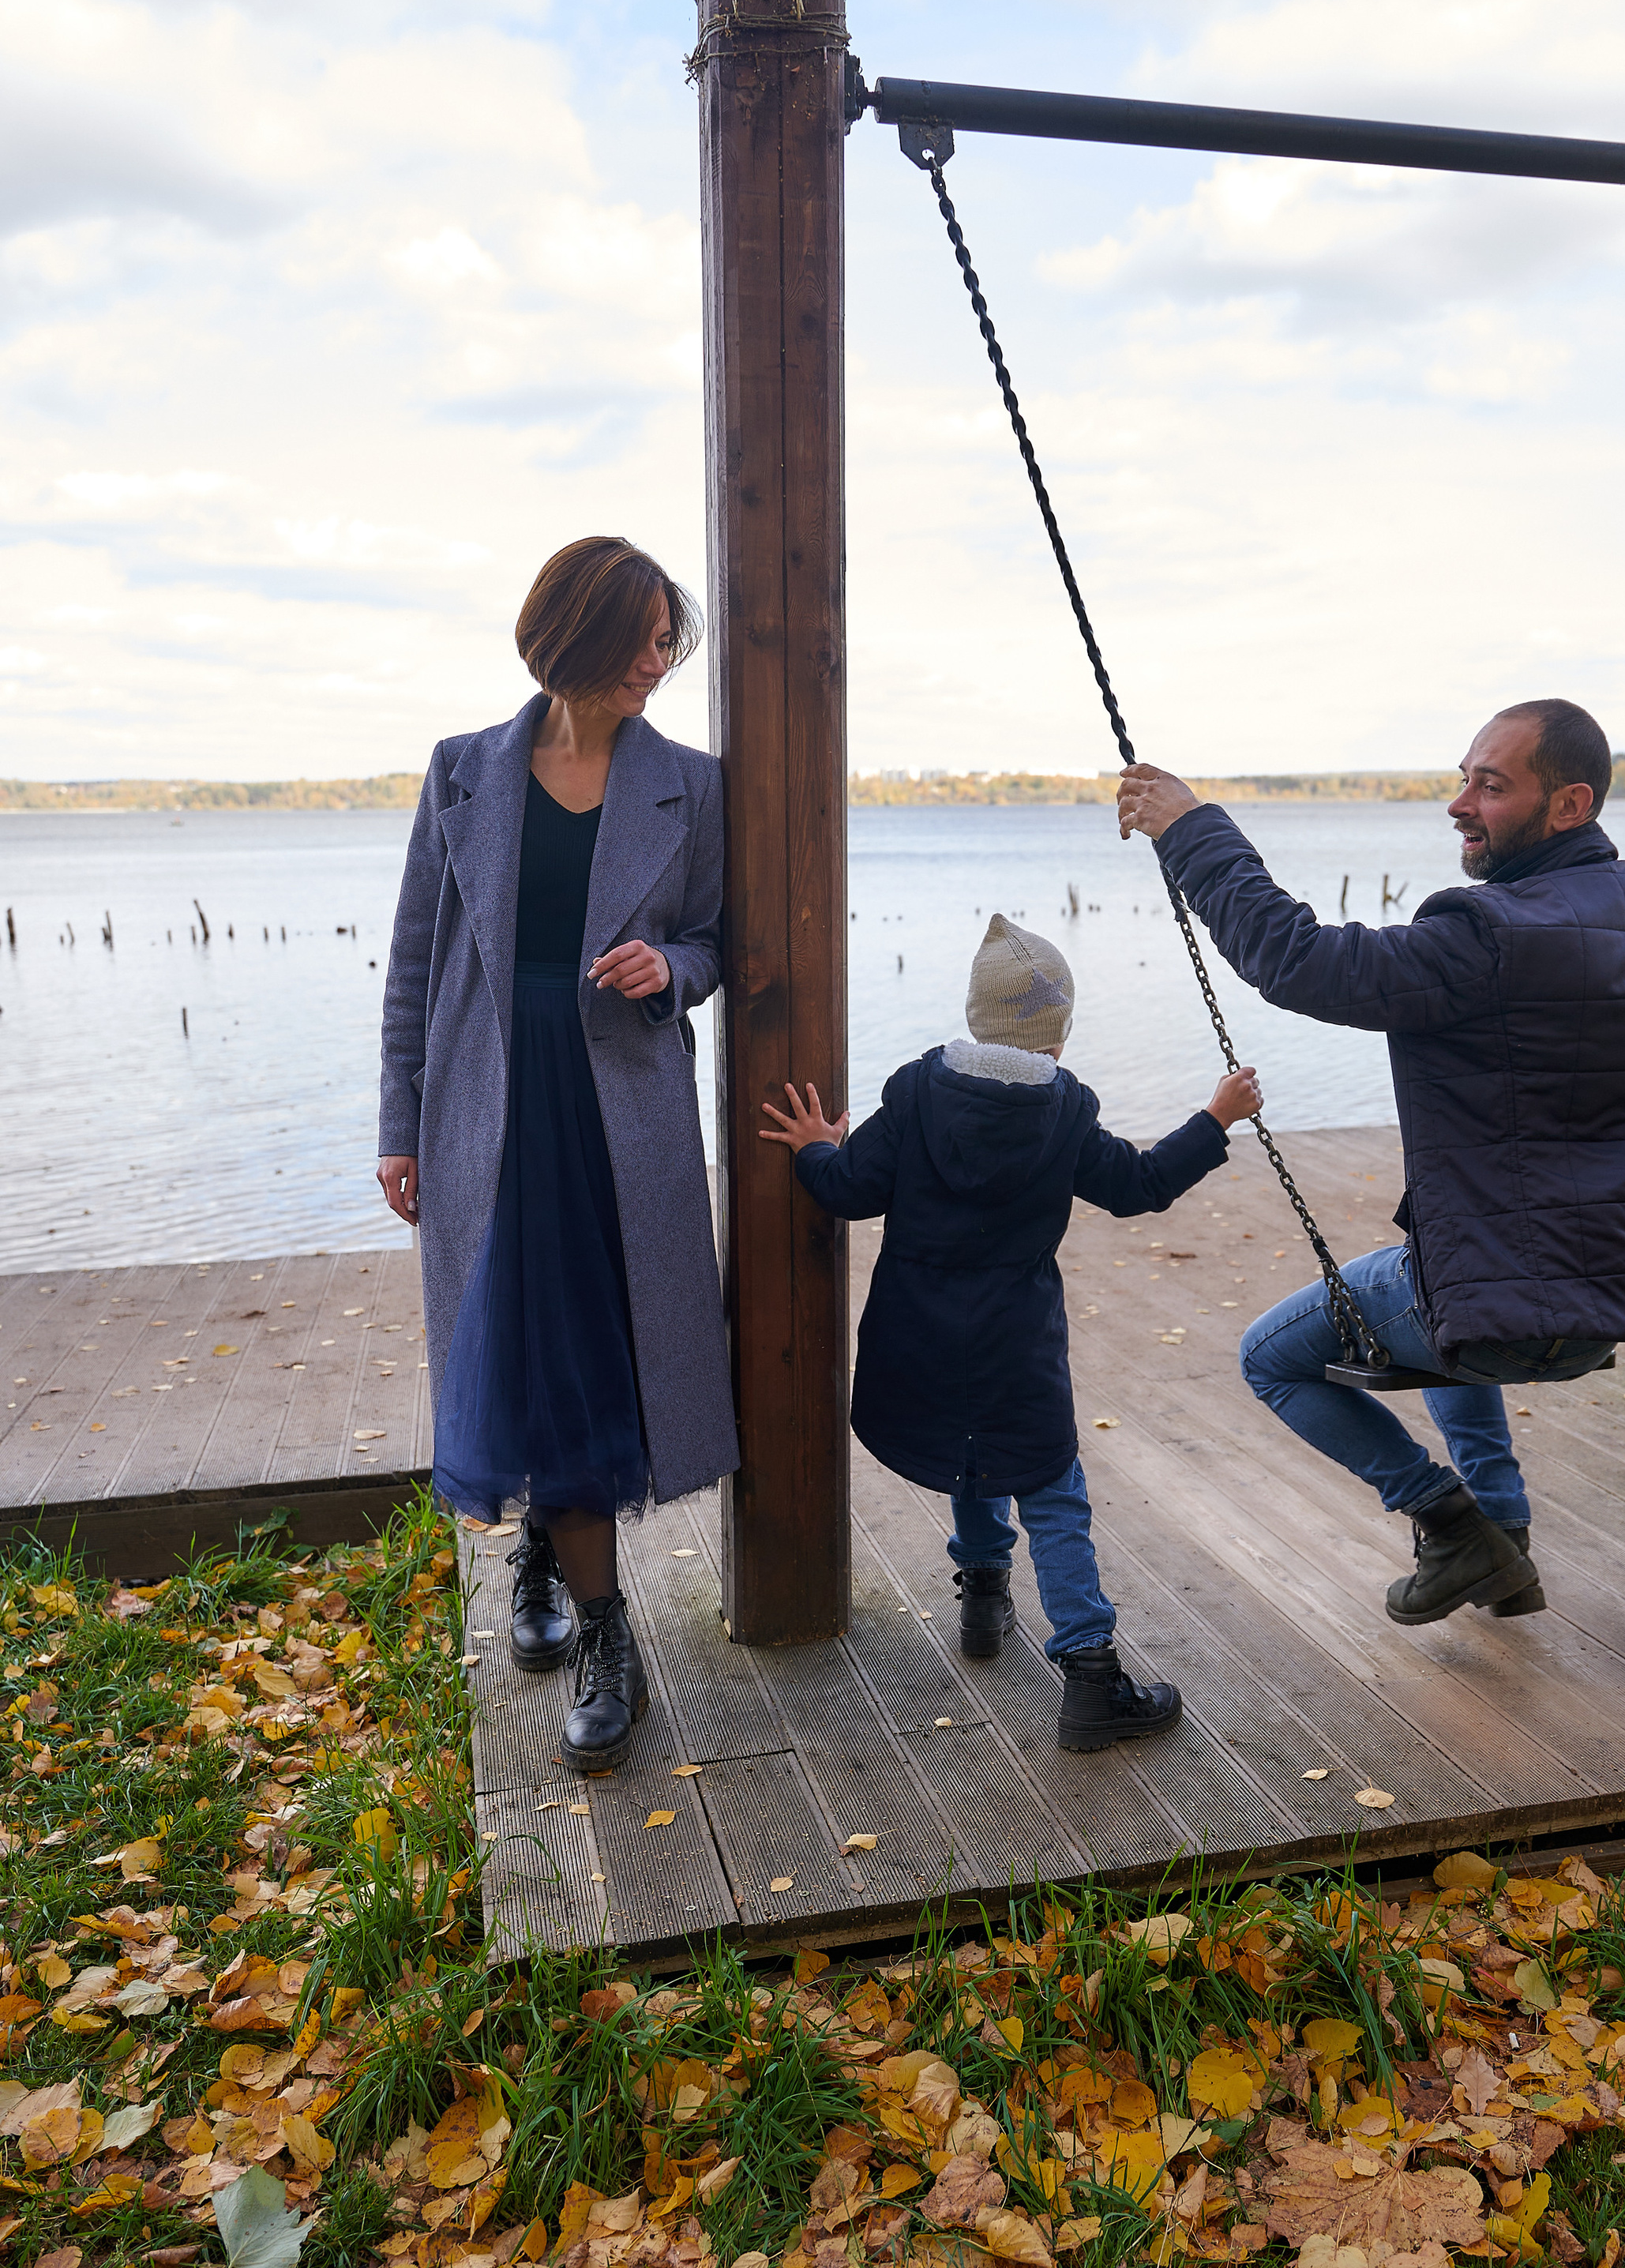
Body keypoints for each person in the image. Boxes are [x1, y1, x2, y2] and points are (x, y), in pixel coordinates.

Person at [1114, 700, 1625, 1627]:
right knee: (1441, 1288)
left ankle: (1446, 1521)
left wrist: (1193, 830)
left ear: (1568, 804)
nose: (1459, 803)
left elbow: (1297, 961)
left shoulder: (1487, 937)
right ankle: (1505, 1542)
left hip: (1507, 1305)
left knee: (1272, 1358)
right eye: (1463, 778)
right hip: (1615, 1300)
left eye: (1489, 784)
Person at [377, 535, 738, 1768]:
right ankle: (547, 1550)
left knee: (591, 1347)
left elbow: (720, 938)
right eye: (640, 636)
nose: (659, 659)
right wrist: (397, 1124)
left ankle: (600, 1624)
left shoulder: (690, 783)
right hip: (483, 1105)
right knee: (515, 1338)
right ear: (574, 635)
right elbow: (416, 962)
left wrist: (671, 971)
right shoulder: (464, 771)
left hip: (615, 1111)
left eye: (663, 639)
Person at [759, 914, 1263, 1750]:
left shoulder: (918, 1090)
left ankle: (986, 1593)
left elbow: (849, 1189)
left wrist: (816, 1150)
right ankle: (1091, 1675)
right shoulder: (1064, 1111)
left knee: (969, 1447)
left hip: (915, 1332)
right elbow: (1138, 1186)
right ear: (1057, 1030)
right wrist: (1212, 1120)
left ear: (973, 1014)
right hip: (1015, 1342)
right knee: (1049, 1486)